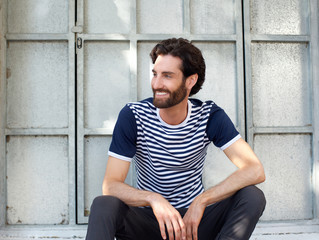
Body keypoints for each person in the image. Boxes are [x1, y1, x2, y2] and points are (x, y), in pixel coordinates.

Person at [86, 38, 266, 240]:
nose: (157, 84)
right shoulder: (133, 115)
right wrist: (153, 199)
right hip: (149, 222)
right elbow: (110, 185)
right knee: (104, 204)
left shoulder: (209, 116)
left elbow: (255, 170)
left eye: (167, 76)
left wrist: (201, 201)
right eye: (155, 74)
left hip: (193, 225)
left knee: (252, 196)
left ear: (190, 81)